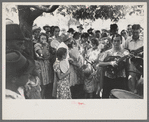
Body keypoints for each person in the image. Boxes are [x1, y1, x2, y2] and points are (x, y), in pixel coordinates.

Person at [97, 34, 128, 98]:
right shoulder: (107, 52)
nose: (116, 43)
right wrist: (110, 63)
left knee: (120, 98)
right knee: (106, 96)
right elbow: (100, 63)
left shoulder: (125, 52)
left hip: (120, 78)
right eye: (115, 41)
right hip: (108, 78)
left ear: (121, 41)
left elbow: (128, 64)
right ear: (112, 41)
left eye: (118, 41)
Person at [122, 24, 143, 94]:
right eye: (134, 32)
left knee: (141, 84)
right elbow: (123, 50)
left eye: (137, 32)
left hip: (142, 64)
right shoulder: (128, 40)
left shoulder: (144, 40)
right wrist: (127, 53)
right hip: (131, 64)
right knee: (131, 81)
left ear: (140, 31)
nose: (135, 34)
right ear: (132, 31)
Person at [34, 33, 52, 99]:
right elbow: (42, 54)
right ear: (39, 39)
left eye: (45, 38)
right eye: (42, 38)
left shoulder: (47, 45)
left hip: (46, 66)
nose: (44, 40)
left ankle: (44, 97)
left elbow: (48, 56)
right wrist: (44, 46)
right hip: (41, 66)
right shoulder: (37, 45)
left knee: (46, 84)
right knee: (42, 84)